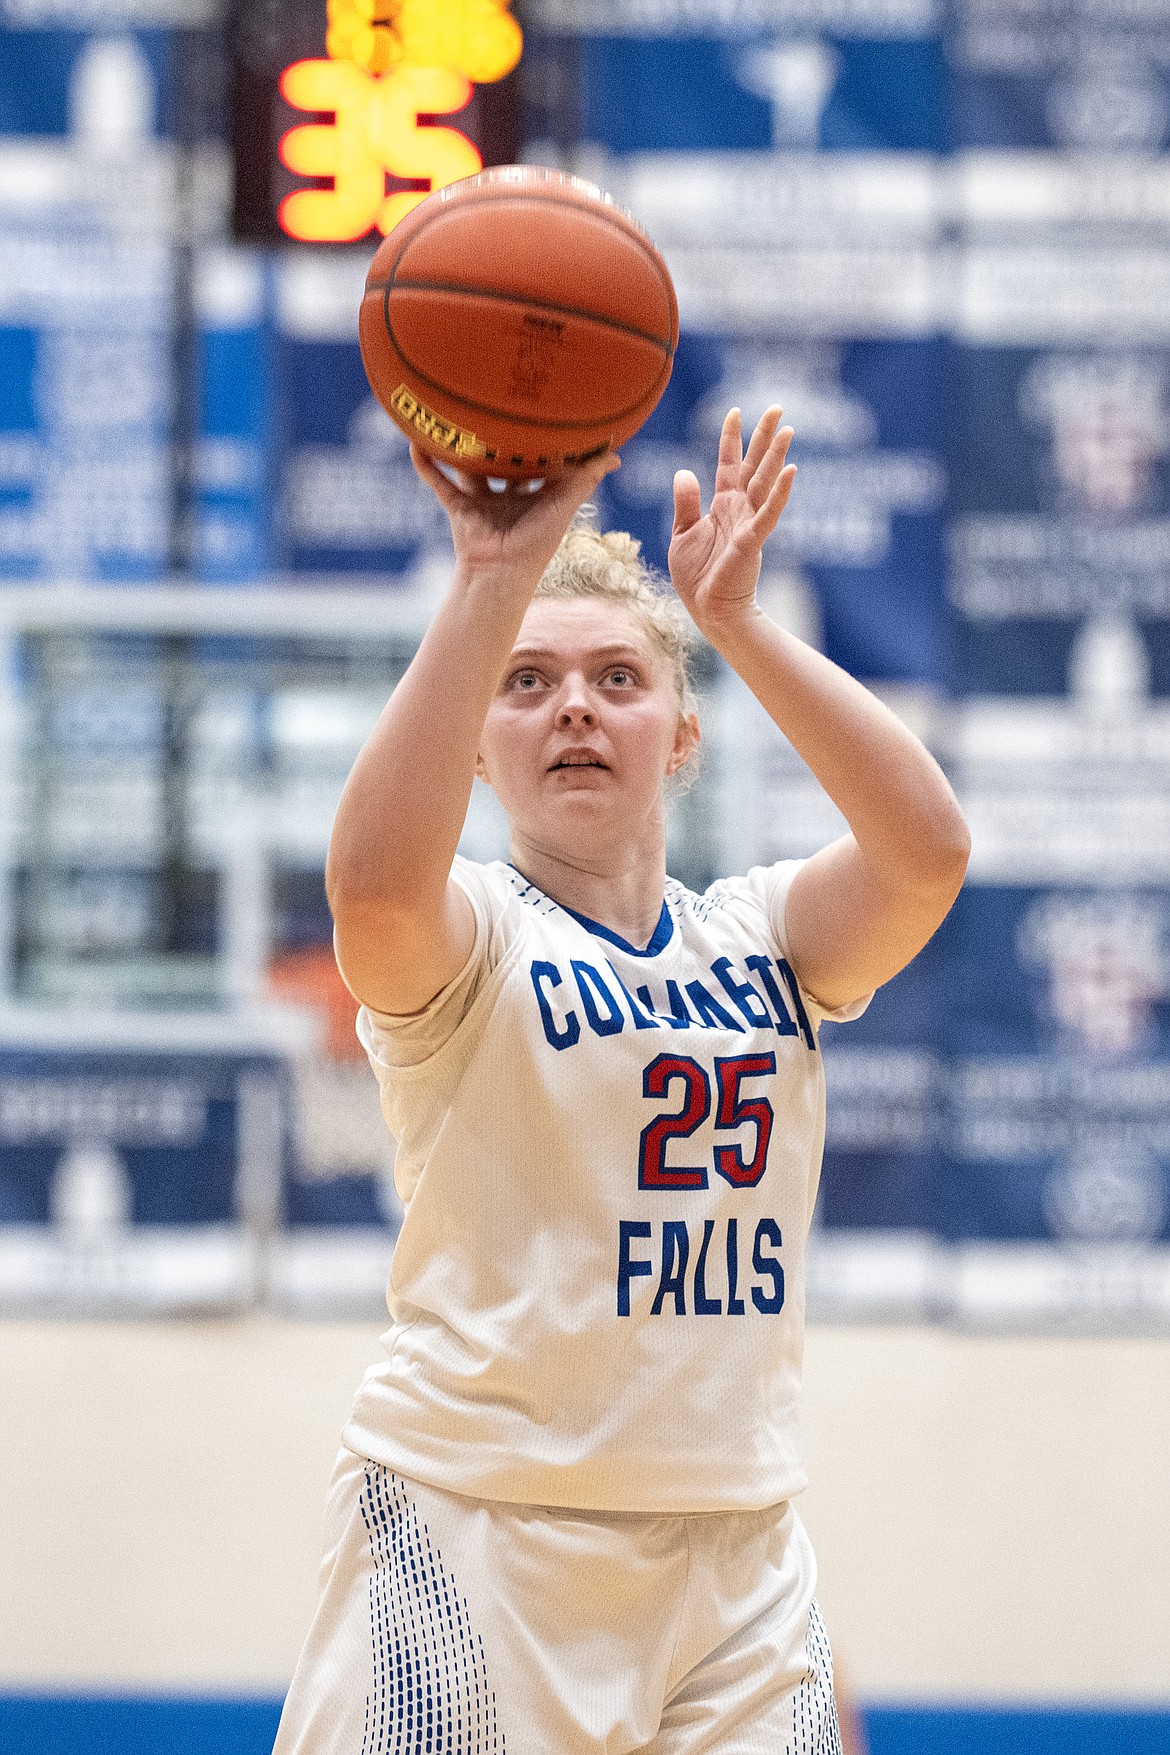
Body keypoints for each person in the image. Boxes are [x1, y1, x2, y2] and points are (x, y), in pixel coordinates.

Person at [274, 407, 970, 1755]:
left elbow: (927, 854)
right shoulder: (474, 940)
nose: (575, 706)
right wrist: (488, 581)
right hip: (473, 1537)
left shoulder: (764, 935)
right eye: (525, 685)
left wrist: (738, 621)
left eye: (616, 678)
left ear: (682, 733)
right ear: (478, 748)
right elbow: (369, 886)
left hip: (733, 1549)